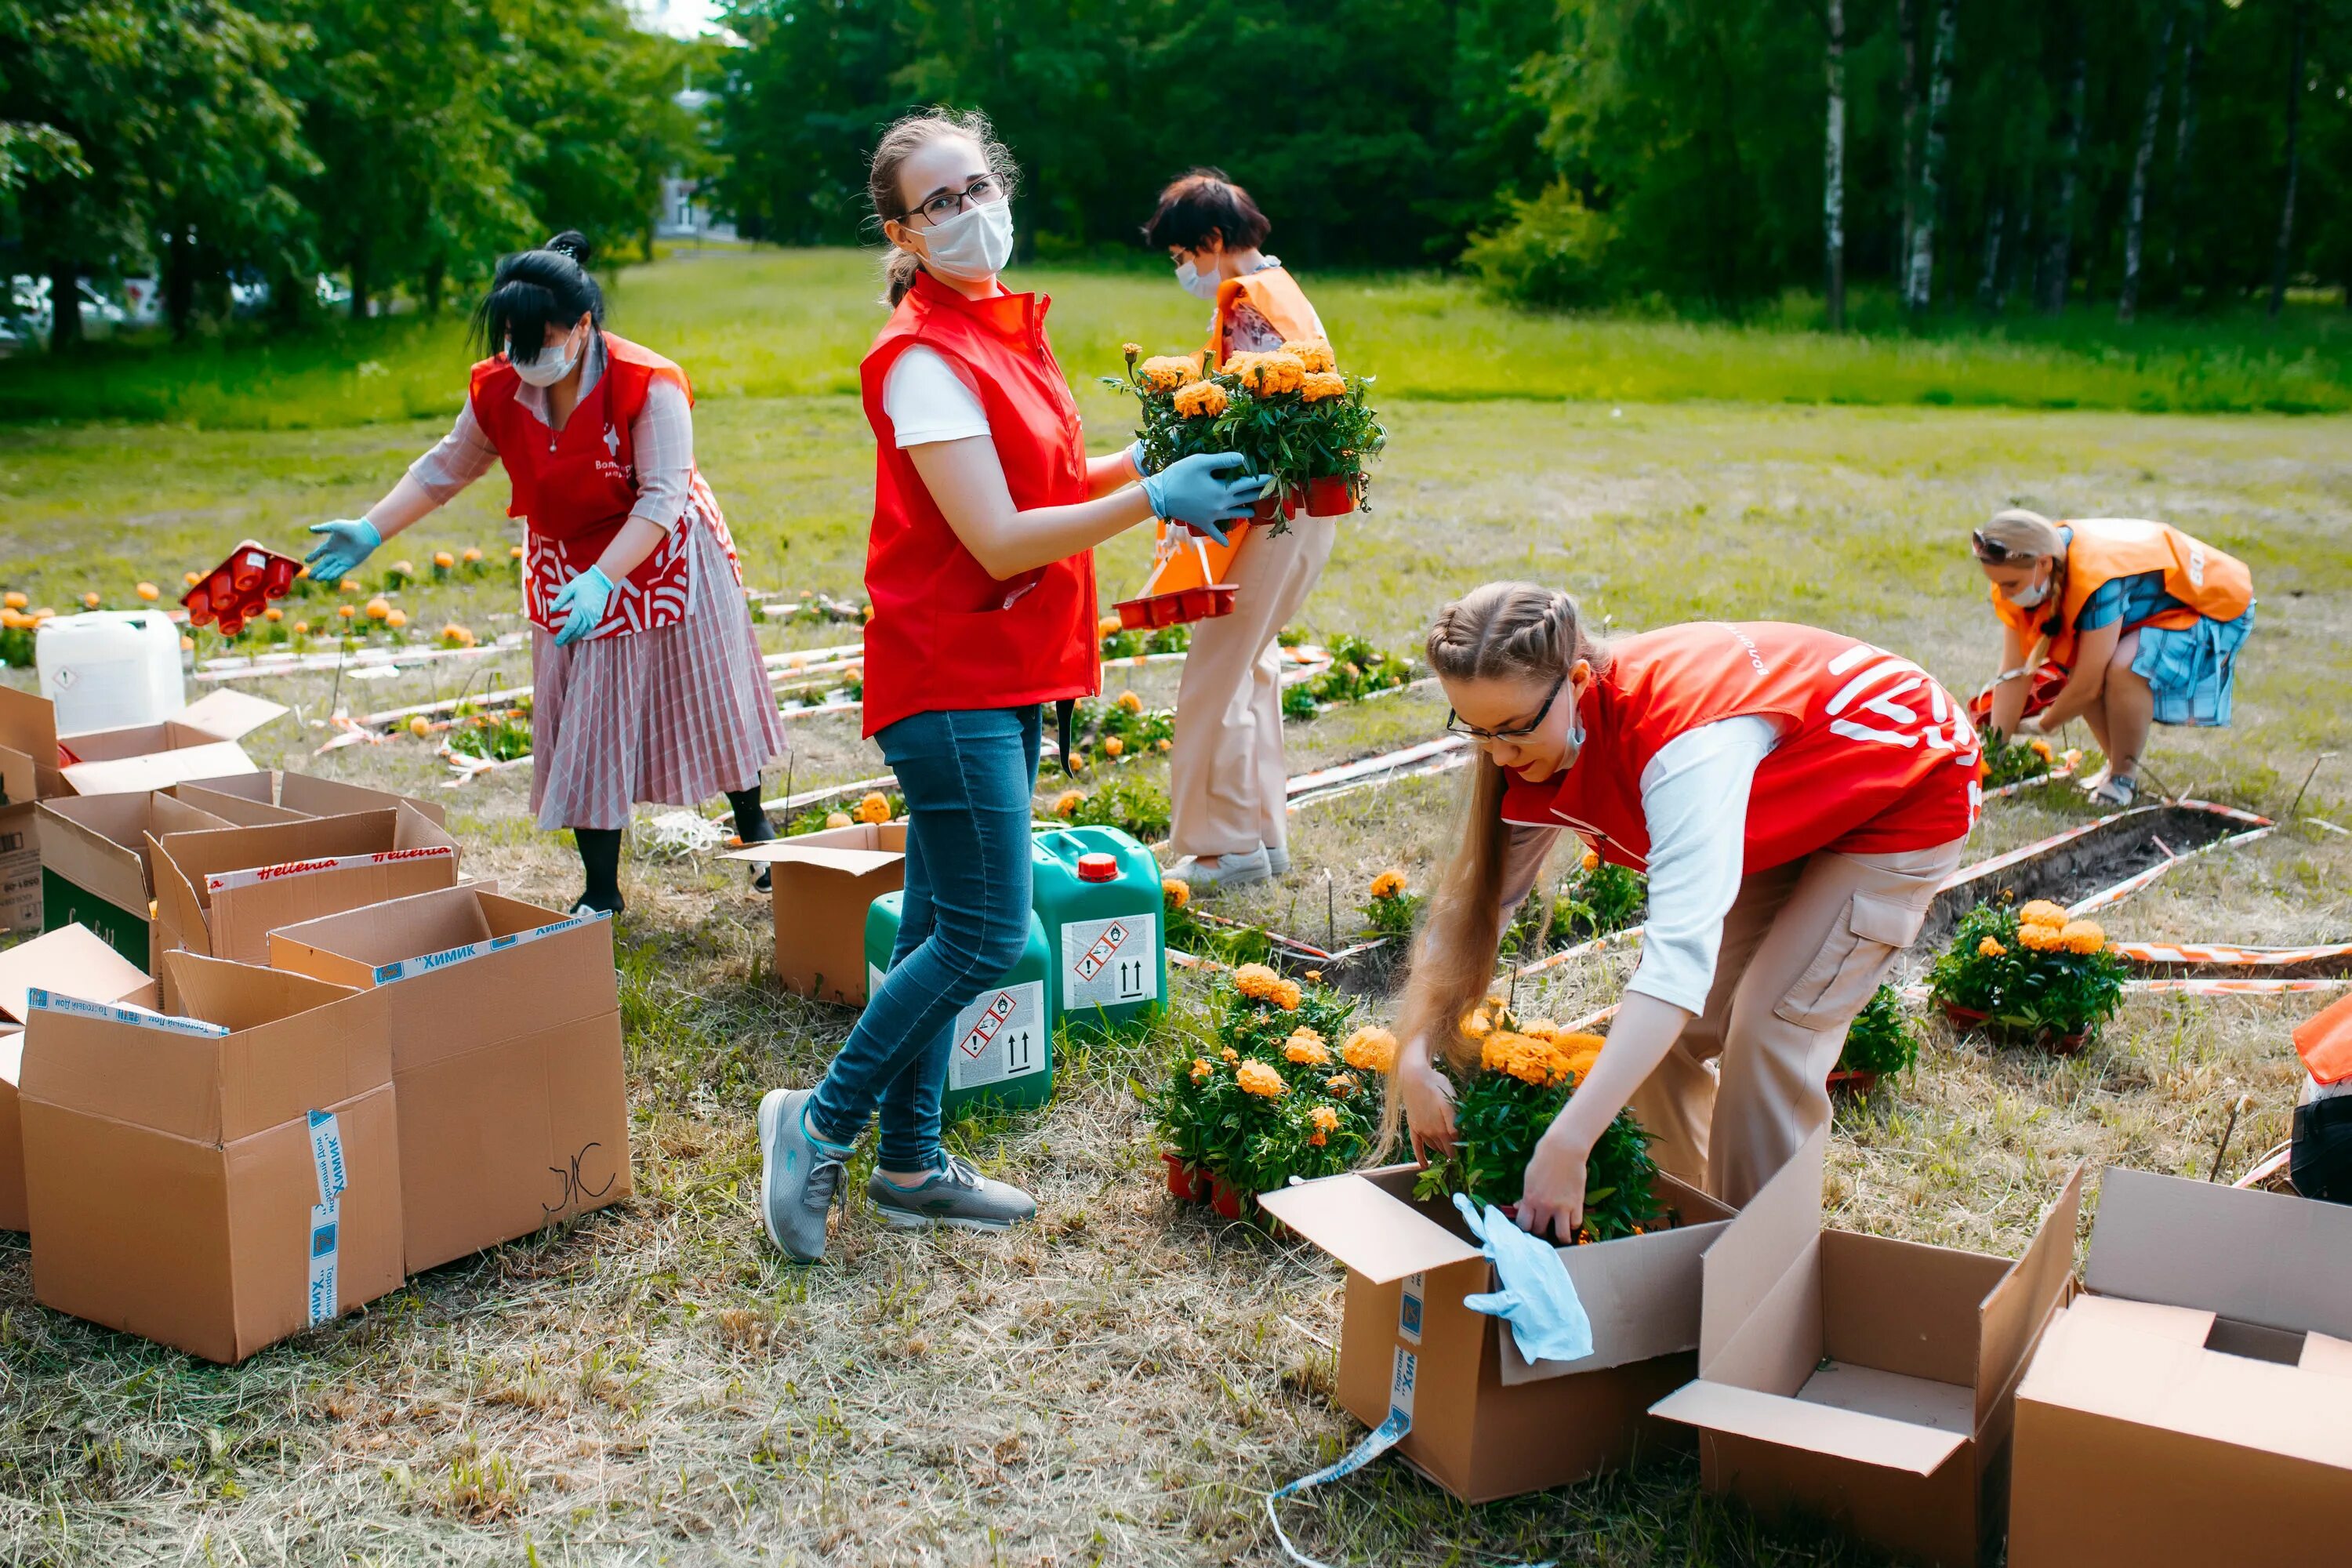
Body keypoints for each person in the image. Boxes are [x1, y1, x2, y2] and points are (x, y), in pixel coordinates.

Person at [755, 111, 1265, 1262]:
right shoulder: (921, 354)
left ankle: (908, 1162)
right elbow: (996, 537)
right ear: (902, 229)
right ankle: (818, 1124)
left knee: (942, 920)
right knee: (986, 937)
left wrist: (1146, 461)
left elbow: (1042, 482)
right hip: (948, 671)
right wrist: (1156, 498)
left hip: (1006, 669)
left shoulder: (996, 330)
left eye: (977, 185)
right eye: (939, 202)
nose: (970, 210)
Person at [1389, 584, 1981, 1236]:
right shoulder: (1540, 732)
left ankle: (1760, 1278)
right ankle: (1678, 1232)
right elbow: (1478, 908)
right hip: (1787, 790)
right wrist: (1412, 1054)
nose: (1499, 755)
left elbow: (1677, 961)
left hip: (1901, 782)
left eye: (1514, 731)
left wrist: (1570, 1142)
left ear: (1579, 681)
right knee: (1663, 1043)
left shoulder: (1683, 748)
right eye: (1476, 730)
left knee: (1773, 1031)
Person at [301, 230, 786, 916]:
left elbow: (662, 498)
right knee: (589, 714)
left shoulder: (649, 383)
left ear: (584, 326)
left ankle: (754, 824)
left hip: (661, 549)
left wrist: (606, 578)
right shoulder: (501, 388)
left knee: (706, 695)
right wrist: (373, 528)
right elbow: (448, 466)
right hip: (565, 554)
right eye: (511, 342)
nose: (525, 358)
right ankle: (601, 890)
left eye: (541, 340)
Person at [1142, 170, 1334, 891]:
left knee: (1216, 674)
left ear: (1214, 240)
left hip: (1269, 513)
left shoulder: (1249, 303)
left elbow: (1250, 427)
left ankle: (1225, 848)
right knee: (1250, 664)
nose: (1183, 270)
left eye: (1182, 256)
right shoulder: (1284, 291)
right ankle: (1258, 835)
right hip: (1304, 510)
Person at [1969, 509, 2254, 807]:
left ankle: (2122, 778)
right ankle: (2116, 766)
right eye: (1998, 583)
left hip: (2216, 606)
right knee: (2079, 661)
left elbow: (2088, 685)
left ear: (2044, 563)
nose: (2003, 593)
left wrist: (2044, 725)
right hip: (2162, 606)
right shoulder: (2020, 572)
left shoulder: (2098, 580)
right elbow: (2015, 672)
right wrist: (1996, 753)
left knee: (2124, 667)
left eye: (2010, 585)